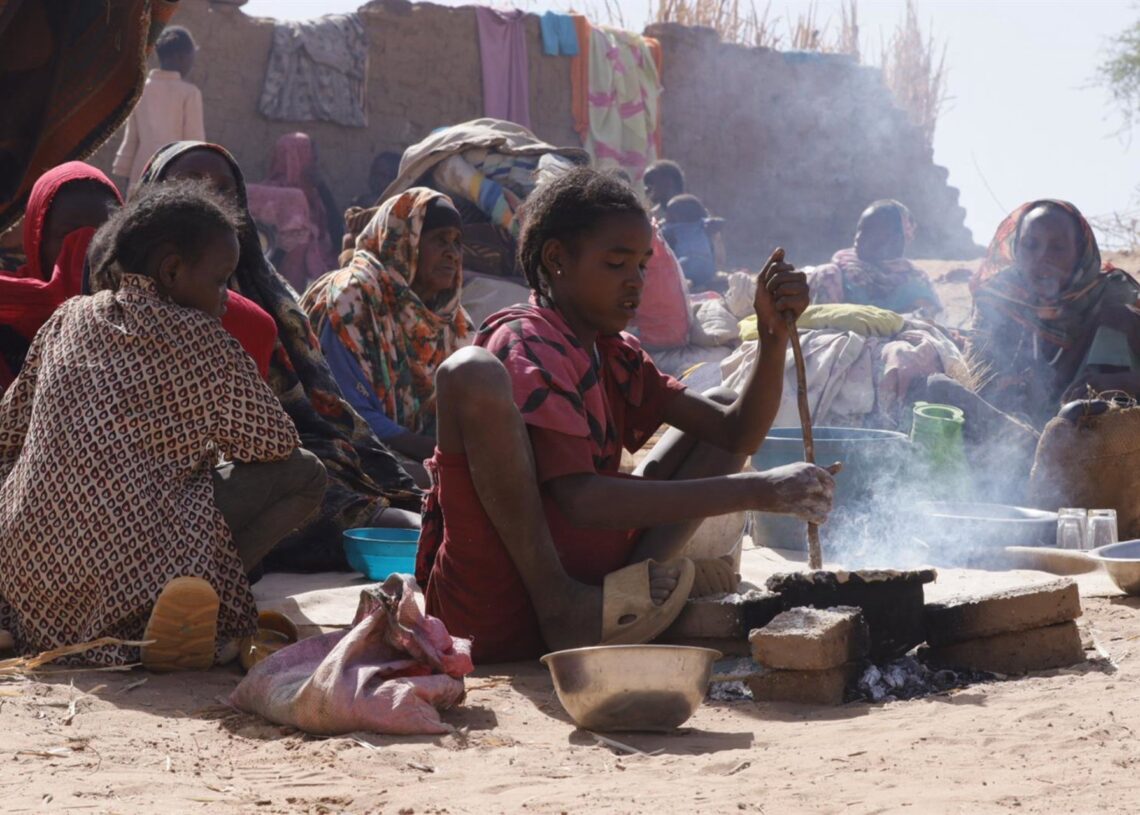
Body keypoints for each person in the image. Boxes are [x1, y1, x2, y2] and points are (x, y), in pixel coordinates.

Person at [418, 168, 838, 663]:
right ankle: (564, 606)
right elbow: (581, 501)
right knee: (469, 369)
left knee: (723, 403)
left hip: (601, 595)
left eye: (642, 265)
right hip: (505, 611)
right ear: (556, 260)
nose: (635, 282)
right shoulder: (526, 342)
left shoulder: (614, 354)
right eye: (616, 264)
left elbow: (737, 432)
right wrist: (760, 490)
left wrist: (771, 338)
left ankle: (628, 590)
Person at [0, 180, 327, 670]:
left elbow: (8, 432)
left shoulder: (69, 317)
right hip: (129, 576)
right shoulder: (204, 340)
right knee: (307, 473)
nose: (225, 298)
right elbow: (276, 445)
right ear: (172, 270)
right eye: (220, 281)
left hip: (28, 586)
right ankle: (185, 604)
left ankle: (33, 615)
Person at [104, 141, 421, 573]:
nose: (208, 200)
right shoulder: (112, 303)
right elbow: (267, 444)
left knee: (378, 485)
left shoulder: (265, 301)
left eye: (223, 192)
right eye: (189, 185)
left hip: (251, 462)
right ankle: (218, 587)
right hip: (181, 488)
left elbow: (312, 416)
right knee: (316, 488)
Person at [302, 190, 467, 488]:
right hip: (338, 451)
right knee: (436, 485)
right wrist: (443, 454)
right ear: (405, 243)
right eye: (440, 240)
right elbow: (346, 414)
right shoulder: (352, 301)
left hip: (412, 452)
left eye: (457, 242)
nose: (453, 253)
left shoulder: (449, 320)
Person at [969, 199, 1140, 428]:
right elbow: (976, 378)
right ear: (1015, 250)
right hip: (1015, 440)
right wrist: (1004, 387)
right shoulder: (999, 300)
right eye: (1030, 245)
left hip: (1104, 443)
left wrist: (1121, 382)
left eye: (1057, 248)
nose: (1042, 257)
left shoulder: (1114, 298)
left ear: (1079, 253)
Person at [0, 163, 122, 389]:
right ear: (37, 239)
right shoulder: (7, 312)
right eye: (68, 235)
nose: (87, 247)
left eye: (104, 233)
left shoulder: (140, 316)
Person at [807, 200, 941, 317]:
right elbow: (823, 323)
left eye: (870, 232)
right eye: (859, 230)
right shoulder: (833, 275)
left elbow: (929, 323)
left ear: (896, 240)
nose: (858, 238)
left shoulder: (916, 282)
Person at [112, 26, 206, 192]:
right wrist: (198, 176)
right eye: (192, 57)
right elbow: (194, 142)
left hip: (141, 174)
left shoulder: (141, 89)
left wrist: (127, 177)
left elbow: (131, 138)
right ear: (181, 57)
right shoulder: (189, 93)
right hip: (174, 176)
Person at [258, 132, 342, 290]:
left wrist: (323, 189)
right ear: (296, 158)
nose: (315, 167)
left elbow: (337, 236)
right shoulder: (271, 196)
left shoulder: (315, 196)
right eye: (312, 159)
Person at [661, 193, 727, 291]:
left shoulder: (672, 229)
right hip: (707, 268)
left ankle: (689, 284)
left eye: (669, 213)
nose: (666, 217)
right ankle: (703, 283)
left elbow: (659, 234)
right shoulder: (702, 224)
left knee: (676, 271)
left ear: (679, 215)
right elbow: (721, 222)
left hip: (684, 264)